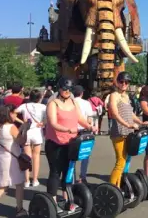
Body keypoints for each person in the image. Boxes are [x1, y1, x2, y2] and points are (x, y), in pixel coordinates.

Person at [45, 77, 93, 213]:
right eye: (64, 88)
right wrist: (68, 129)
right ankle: (52, 202)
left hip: (71, 142)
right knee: (55, 172)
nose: (66, 91)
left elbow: (79, 118)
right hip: (55, 143)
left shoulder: (73, 102)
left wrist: (89, 126)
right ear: (59, 88)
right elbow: (53, 123)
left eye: (69, 89)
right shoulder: (53, 104)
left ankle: (67, 199)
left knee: (69, 172)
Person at [109, 72, 148, 187]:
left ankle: (119, 184)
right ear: (117, 82)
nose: (124, 84)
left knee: (126, 160)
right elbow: (115, 114)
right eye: (122, 82)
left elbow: (130, 114)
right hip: (119, 132)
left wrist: (140, 122)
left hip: (129, 132)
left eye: (126, 82)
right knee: (120, 161)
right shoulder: (114, 95)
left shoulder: (126, 96)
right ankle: (112, 187)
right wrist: (128, 125)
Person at [0, 105, 30, 217]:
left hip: (1, 157)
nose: (16, 115)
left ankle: (20, 209)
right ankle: (19, 209)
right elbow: (21, 141)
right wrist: (25, 130)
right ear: (9, 113)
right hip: (13, 159)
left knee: (2, 186)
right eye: (14, 113)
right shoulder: (11, 127)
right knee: (18, 185)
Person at [15, 89, 46, 188]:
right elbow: (48, 117)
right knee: (36, 156)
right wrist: (43, 123)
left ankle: (27, 180)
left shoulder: (24, 106)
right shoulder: (43, 107)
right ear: (40, 98)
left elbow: (13, 112)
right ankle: (35, 179)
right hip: (37, 132)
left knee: (26, 157)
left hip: (26, 132)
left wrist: (22, 121)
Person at [73, 85, 97, 183]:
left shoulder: (70, 102)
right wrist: (91, 127)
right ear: (82, 93)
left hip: (73, 130)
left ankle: (72, 177)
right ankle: (82, 177)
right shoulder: (86, 103)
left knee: (72, 155)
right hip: (84, 130)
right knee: (85, 154)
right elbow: (89, 118)